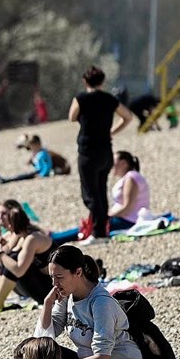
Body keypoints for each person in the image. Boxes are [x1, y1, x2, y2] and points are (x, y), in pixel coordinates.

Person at [36, 245, 144, 359]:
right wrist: (47, 304)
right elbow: (43, 339)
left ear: (78, 272)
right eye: (52, 277)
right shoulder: (66, 296)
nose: (55, 284)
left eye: (59, 277)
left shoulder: (100, 302)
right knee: (40, 355)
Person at [68, 66, 134, 245]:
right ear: (102, 81)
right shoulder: (109, 99)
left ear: (85, 81)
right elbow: (128, 117)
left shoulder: (81, 98)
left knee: (89, 194)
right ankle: (102, 230)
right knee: (100, 191)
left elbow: (72, 117)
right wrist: (112, 131)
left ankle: (98, 233)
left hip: (88, 151)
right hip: (106, 150)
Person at [0, 202, 53, 310]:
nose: (0, 219)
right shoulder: (24, 235)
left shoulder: (32, 238)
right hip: (44, 286)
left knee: (10, 259)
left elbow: (18, 269)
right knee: (8, 258)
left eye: (4, 215)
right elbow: (6, 250)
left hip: (49, 291)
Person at [107, 151, 150, 233]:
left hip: (129, 220)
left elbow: (127, 207)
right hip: (125, 218)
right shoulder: (129, 177)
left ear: (124, 163)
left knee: (85, 230)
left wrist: (108, 216)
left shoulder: (131, 178)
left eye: (113, 161)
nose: (111, 164)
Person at [0, 135, 66, 184]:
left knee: (23, 176)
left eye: (33, 147)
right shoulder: (39, 152)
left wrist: (42, 175)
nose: (32, 149)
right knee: (22, 175)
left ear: (38, 144)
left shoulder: (43, 154)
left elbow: (47, 165)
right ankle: (5, 180)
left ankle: (5, 180)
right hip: (38, 171)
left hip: (39, 172)